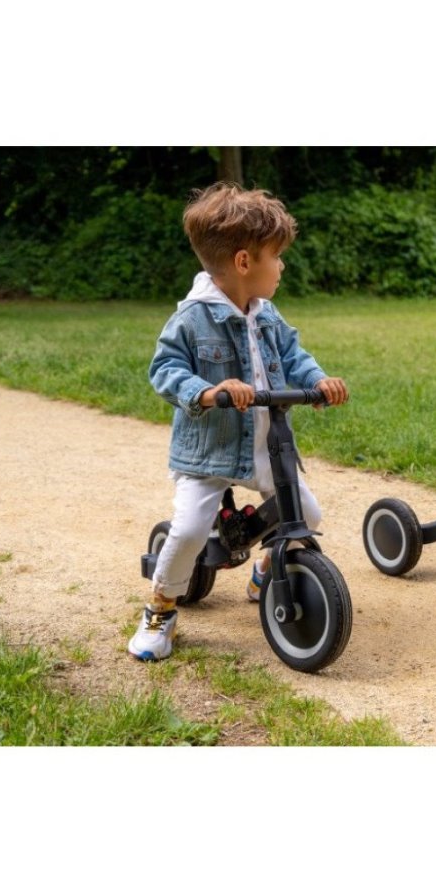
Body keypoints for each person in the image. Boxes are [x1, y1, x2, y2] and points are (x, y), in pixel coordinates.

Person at [129, 182, 348, 661]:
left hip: (266, 446)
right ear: (245, 262)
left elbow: (294, 355)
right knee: (189, 530)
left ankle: (268, 570)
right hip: (209, 453)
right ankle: (161, 608)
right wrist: (208, 393)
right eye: (277, 256)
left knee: (306, 514)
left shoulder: (267, 314)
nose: (283, 266)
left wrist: (318, 380)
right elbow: (165, 369)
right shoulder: (192, 319)